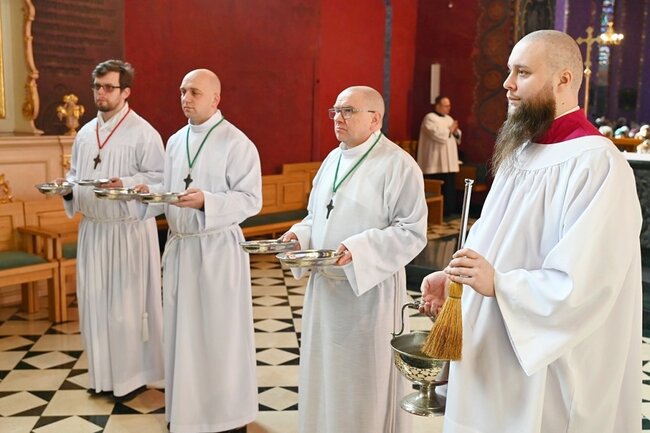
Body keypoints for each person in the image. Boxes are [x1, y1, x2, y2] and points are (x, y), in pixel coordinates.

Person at [420, 30, 642, 433]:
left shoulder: (597, 163)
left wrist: (501, 285)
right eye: (510, 71)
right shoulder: (520, 150)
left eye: (522, 72)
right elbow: (494, 241)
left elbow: (587, 284)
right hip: (488, 351)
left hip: (543, 367)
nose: (507, 84)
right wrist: (457, 281)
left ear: (564, 80)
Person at [281, 86, 428, 433]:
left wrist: (360, 250)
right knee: (325, 377)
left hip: (368, 295)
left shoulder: (397, 164)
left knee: (362, 384)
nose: (338, 118)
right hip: (325, 292)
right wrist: (300, 235)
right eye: (335, 111)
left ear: (375, 119)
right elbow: (317, 216)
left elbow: (411, 231)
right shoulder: (332, 160)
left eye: (348, 111)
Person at [137, 69, 262, 433]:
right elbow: (170, 188)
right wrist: (149, 191)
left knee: (220, 334)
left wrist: (207, 200)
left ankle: (227, 416)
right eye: (182, 91)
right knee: (183, 333)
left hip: (217, 249)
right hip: (182, 247)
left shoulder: (236, 142)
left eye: (194, 92)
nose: (185, 98)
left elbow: (251, 199)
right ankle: (188, 413)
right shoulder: (176, 140)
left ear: (215, 99)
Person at [58, 59, 165, 401]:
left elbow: (161, 180)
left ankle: (131, 379)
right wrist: (68, 189)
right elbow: (76, 175)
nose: (101, 93)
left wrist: (128, 183)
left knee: (125, 308)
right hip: (93, 230)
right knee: (94, 305)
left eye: (108, 87)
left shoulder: (143, 133)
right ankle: (102, 377)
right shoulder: (85, 133)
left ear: (126, 91)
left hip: (127, 231)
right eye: (97, 87)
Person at [416, 95, 461, 216]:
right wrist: (450, 130)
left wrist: (455, 131)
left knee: (449, 186)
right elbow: (436, 134)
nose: (448, 108)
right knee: (437, 186)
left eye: (449, 106)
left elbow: (456, 135)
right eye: (446, 106)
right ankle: (435, 213)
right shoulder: (429, 118)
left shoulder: (449, 118)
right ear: (437, 105)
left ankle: (449, 210)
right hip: (435, 161)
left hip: (449, 161)